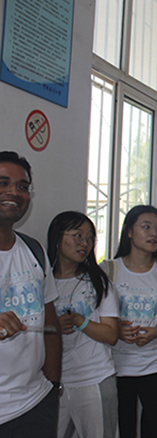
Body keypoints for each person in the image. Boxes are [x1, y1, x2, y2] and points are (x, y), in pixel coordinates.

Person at [103, 205, 157, 438]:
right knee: (123, 428)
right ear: (129, 231)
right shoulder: (109, 269)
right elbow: (97, 316)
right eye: (146, 227)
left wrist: (156, 332)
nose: (154, 234)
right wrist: (116, 330)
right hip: (116, 365)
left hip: (155, 363)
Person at [0, 151, 62, 438]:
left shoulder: (34, 251)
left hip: (35, 404)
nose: (14, 192)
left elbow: (50, 324)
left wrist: (53, 385)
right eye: (3, 183)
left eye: (22, 186)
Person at [48, 211, 119, 438]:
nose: (84, 243)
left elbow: (111, 335)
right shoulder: (42, 281)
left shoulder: (97, 282)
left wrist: (80, 320)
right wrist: (54, 326)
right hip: (53, 381)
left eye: (89, 239)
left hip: (94, 379)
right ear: (57, 238)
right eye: (77, 236)